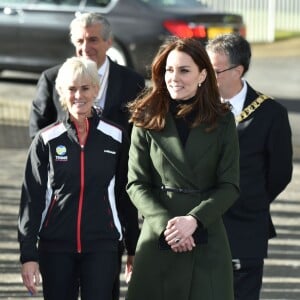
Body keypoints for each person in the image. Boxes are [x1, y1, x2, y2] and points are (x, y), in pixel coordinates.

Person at [28, 12, 144, 299]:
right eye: (79, 40)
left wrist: (133, 243)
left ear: (108, 41)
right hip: (58, 232)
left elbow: (127, 179)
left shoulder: (132, 84)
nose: (85, 46)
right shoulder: (52, 80)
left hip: (104, 232)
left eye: (93, 39)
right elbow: (38, 139)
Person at [125, 37, 240, 300]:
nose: (174, 77)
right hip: (158, 236)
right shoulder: (146, 117)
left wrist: (194, 221)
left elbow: (230, 185)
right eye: (169, 70)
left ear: (202, 75)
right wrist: (169, 226)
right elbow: (135, 183)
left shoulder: (223, 120)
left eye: (184, 70)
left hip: (206, 237)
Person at [206, 33, 293, 300]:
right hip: (201, 224)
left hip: (246, 225)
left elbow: (279, 173)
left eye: (214, 71)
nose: (206, 77)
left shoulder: (270, 113)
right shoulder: (196, 107)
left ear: (238, 70)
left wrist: (249, 198)